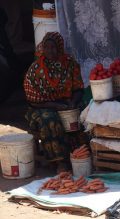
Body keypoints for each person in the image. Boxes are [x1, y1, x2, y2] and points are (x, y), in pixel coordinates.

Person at [23, 32, 84, 172]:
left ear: (60, 48)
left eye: (53, 47)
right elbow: (33, 100)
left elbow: (79, 88)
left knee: (83, 114)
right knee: (50, 118)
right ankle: (59, 161)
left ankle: (80, 157)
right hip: (41, 106)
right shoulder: (36, 69)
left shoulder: (70, 64)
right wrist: (56, 106)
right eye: (47, 47)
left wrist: (73, 103)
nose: (50, 51)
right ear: (42, 48)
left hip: (67, 103)